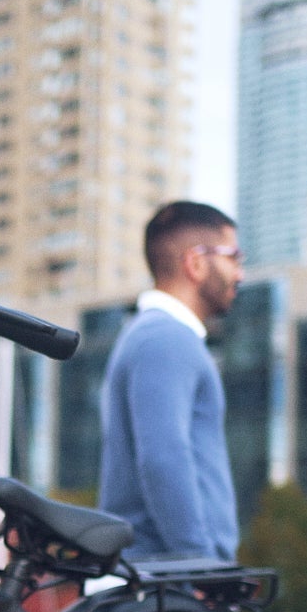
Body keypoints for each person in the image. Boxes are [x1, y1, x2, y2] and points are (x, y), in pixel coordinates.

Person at [98, 201, 244, 563]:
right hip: (165, 583)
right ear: (195, 262)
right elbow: (163, 457)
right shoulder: (165, 338)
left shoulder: (154, 335)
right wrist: (197, 562)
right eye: (234, 257)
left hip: (162, 580)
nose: (240, 274)